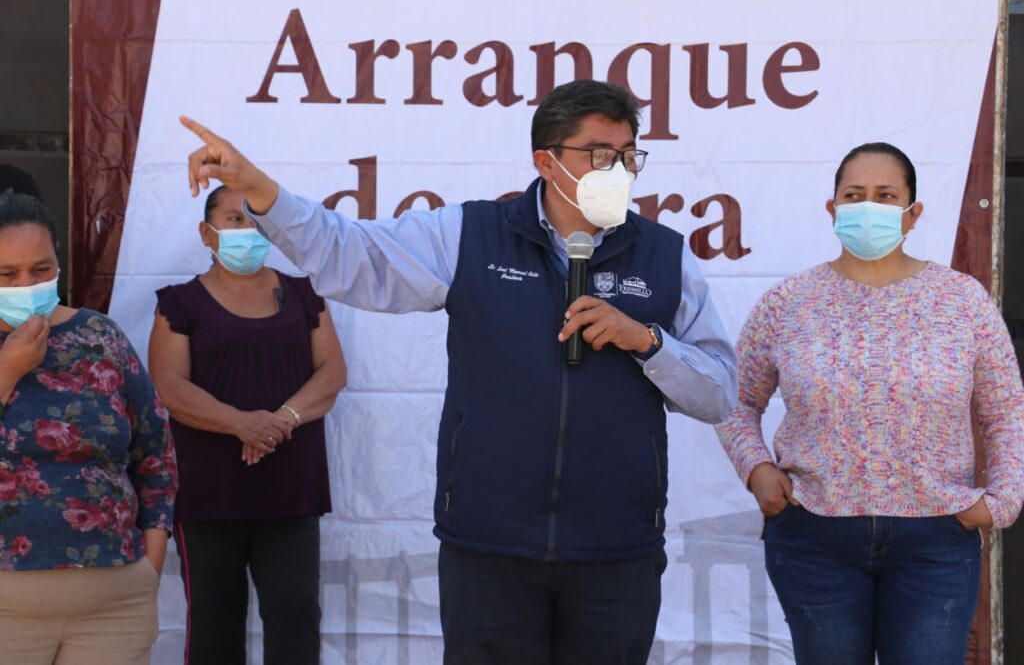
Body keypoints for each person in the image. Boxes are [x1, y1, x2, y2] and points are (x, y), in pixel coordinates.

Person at [180, 79, 738, 665]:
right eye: (599, 154)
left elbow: (719, 393)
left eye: (628, 156)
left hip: (616, 551)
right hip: (490, 548)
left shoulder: (665, 255)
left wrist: (648, 342)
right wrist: (259, 191)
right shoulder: (471, 235)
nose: (617, 170)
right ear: (545, 161)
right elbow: (349, 255)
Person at [715, 142, 1024, 664]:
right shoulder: (789, 303)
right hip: (815, 536)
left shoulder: (962, 300)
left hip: (936, 538)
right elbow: (733, 399)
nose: (868, 207)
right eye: (854, 195)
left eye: (885, 196)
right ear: (833, 209)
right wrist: (757, 469)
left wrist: (1002, 500)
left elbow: (1003, 411)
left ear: (912, 213)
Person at [148, 185, 347, 665]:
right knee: (215, 620)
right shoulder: (180, 304)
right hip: (208, 493)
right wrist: (241, 424)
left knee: (296, 614)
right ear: (206, 232)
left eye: (256, 220)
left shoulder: (304, 294)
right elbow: (170, 386)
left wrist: (278, 422)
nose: (248, 230)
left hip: (290, 490)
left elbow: (332, 374)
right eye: (235, 220)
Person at [0, 191, 177, 665]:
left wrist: (151, 561)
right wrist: (7, 370)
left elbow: (155, 452)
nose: (25, 284)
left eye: (40, 270)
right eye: (7, 274)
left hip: (114, 605)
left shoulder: (100, 336)